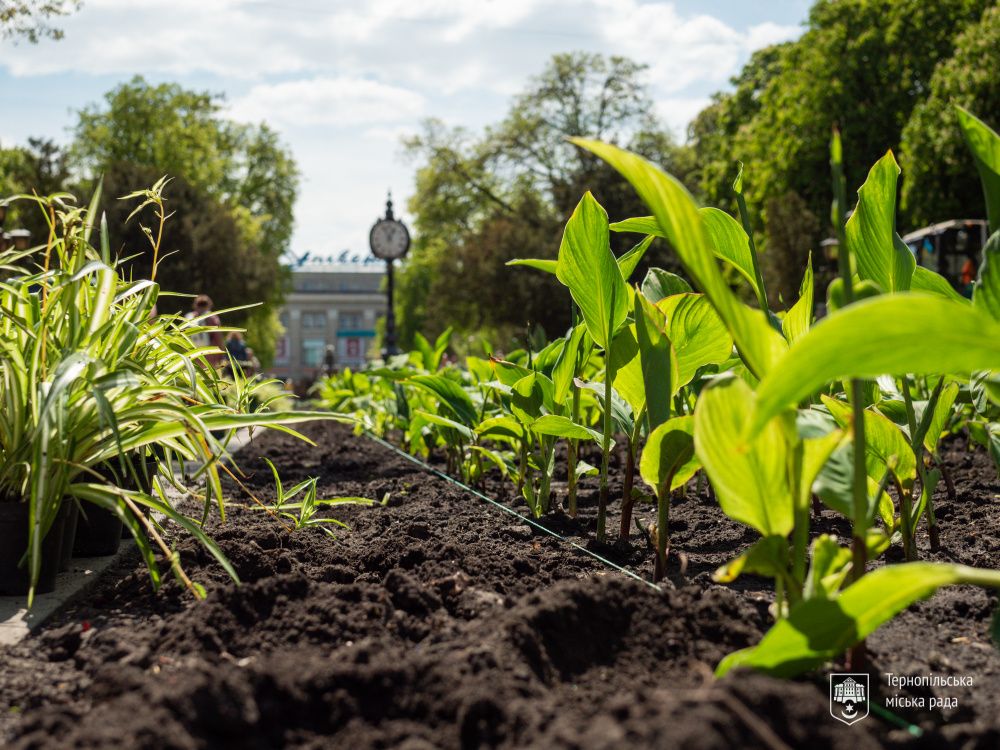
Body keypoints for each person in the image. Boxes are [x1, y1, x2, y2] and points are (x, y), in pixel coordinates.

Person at [185, 294, 226, 367]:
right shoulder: (212, 318)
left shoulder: (188, 317)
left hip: (193, 355)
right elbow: (218, 338)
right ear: (209, 305)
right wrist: (222, 355)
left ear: (195, 305)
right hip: (210, 354)